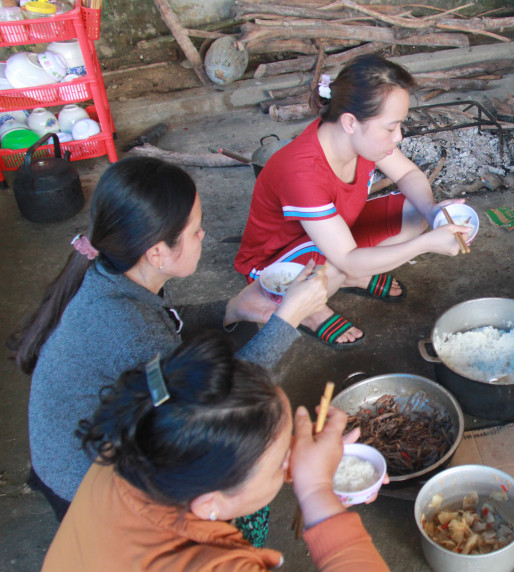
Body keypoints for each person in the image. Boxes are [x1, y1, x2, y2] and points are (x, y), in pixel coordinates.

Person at [30, 333, 415, 572]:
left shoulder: (139, 447)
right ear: (210, 504)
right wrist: (315, 490)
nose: (293, 459)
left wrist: (276, 459)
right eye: (282, 459)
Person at [9, 156, 330, 529]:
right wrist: (286, 320)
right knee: (245, 490)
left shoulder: (111, 271)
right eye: (196, 230)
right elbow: (215, 409)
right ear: (157, 252)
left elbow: (159, 321)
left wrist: (231, 309)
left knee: (236, 332)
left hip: (89, 439)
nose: (203, 236)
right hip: (85, 488)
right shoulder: (126, 327)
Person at [235, 54, 470, 348]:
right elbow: (346, 257)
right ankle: (310, 312)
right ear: (349, 122)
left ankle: (352, 277)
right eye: (390, 127)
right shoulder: (303, 171)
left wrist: (433, 212)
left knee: (415, 211)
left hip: (331, 237)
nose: (397, 136)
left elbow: (408, 173)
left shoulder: (361, 139)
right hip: (275, 264)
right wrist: (427, 243)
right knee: (335, 269)